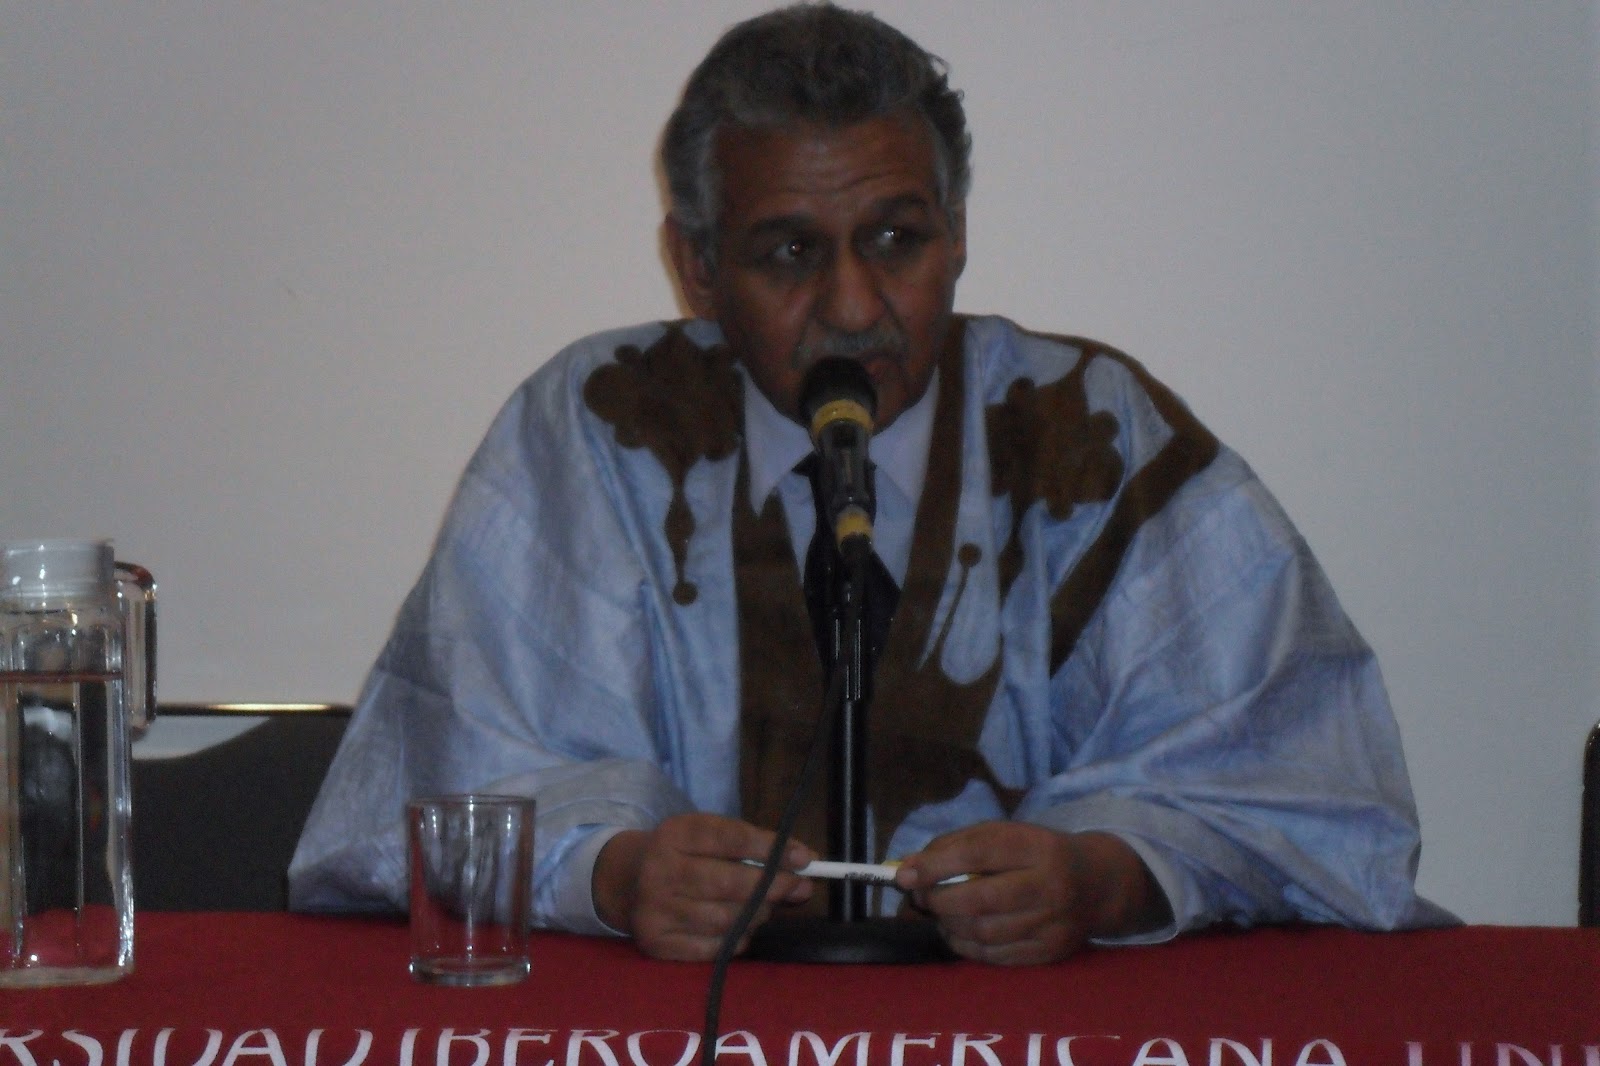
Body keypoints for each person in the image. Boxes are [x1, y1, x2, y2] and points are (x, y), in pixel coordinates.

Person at [289, 2, 1450, 965]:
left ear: (956, 233)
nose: (853, 307)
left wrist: (1100, 878)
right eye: (789, 252)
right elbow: (436, 794)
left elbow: (1303, 790)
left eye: (896, 240)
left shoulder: (1090, 434)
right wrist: (616, 871)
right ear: (697, 266)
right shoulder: (596, 428)